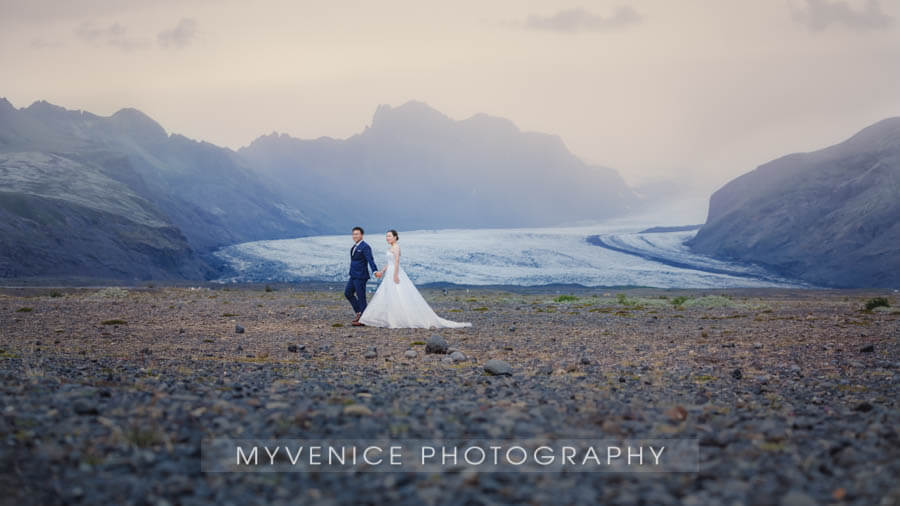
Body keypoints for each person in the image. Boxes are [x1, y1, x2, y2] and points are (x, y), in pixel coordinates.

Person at [358, 230, 471, 329]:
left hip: (395, 272)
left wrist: (395, 275)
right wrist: (382, 271)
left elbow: (397, 261)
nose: (387, 238)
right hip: (390, 272)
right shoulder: (390, 248)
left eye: (389, 236)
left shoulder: (396, 247)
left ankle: (398, 318)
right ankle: (391, 317)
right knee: (388, 294)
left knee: (398, 293)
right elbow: (390, 263)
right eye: (386, 236)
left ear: (395, 237)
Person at [345, 226, 378, 326]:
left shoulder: (365, 247)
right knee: (348, 293)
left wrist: (375, 271)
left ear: (361, 235)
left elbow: (370, 260)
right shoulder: (354, 247)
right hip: (353, 275)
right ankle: (359, 312)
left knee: (361, 297)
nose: (355, 236)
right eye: (353, 234)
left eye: (357, 234)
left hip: (361, 276)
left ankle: (363, 319)